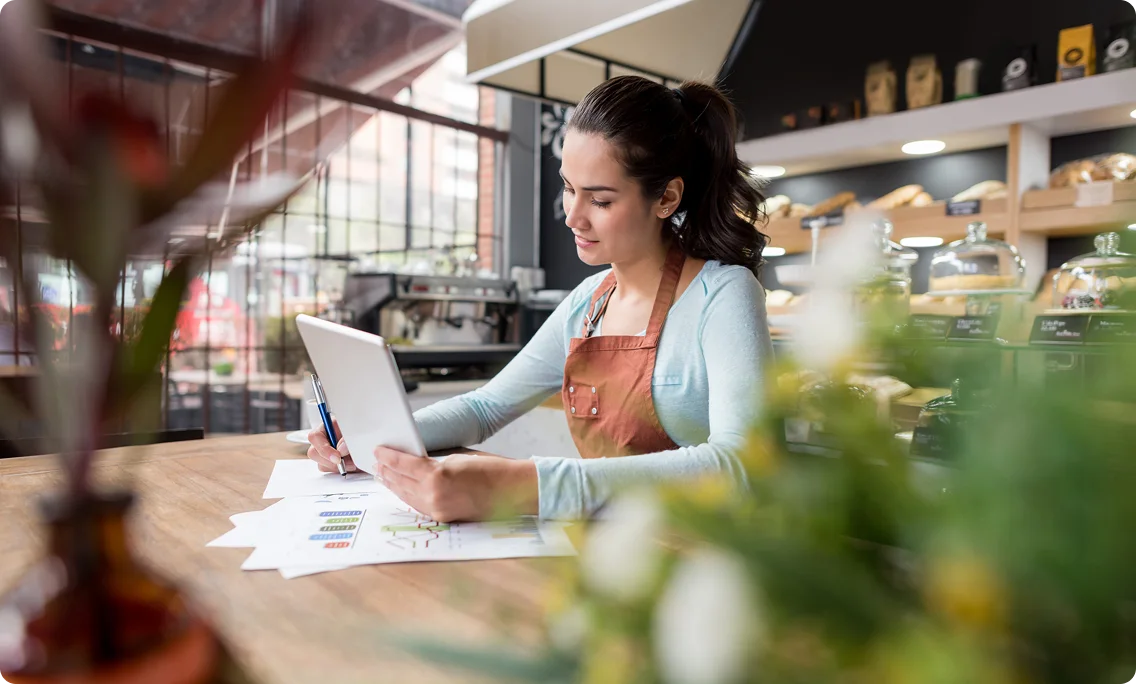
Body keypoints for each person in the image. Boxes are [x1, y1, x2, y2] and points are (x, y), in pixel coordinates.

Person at [307, 75, 773, 521]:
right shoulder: (587, 303)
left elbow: (740, 466)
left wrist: (522, 485)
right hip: (617, 556)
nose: (573, 216)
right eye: (569, 188)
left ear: (667, 198)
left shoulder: (724, 295)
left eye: (601, 200)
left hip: (705, 560)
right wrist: (373, 439)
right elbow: (484, 408)